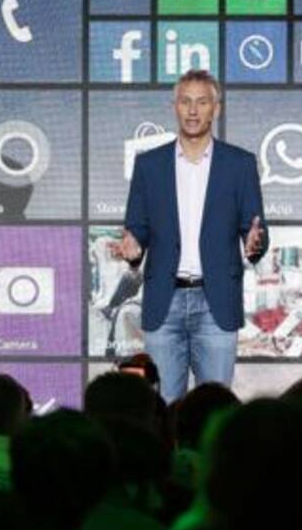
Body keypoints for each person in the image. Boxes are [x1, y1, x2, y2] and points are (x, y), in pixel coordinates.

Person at [109, 69, 268, 403]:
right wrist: (133, 249)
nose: (193, 110)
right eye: (185, 101)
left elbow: (255, 229)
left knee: (214, 408)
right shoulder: (149, 165)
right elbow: (136, 229)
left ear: (216, 109)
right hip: (164, 303)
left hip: (217, 303)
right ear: (174, 107)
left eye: (202, 102)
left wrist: (255, 243)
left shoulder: (240, 164)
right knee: (165, 407)